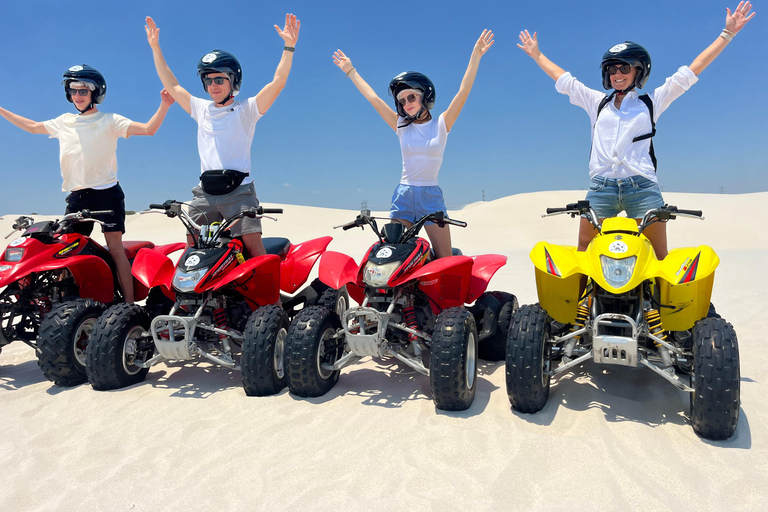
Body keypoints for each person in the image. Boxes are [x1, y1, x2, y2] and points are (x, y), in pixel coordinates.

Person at [517, 2, 756, 259]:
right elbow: (565, 81)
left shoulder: (651, 102)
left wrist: (727, 34)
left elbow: (689, 72)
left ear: (638, 71)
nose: (617, 74)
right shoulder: (596, 102)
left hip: (641, 188)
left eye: (624, 67)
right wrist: (536, 55)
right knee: (584, 257)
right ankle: (586, 302)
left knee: (657, 258)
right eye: (611, 69)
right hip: (601, 187)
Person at [0, 64, 175, 303]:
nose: (77, 96)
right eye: (73, 91)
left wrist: (164, 105)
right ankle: (64, 303)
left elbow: (148, 129)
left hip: (107, 194)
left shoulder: (109, 120)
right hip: (77, 198)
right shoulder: (63, 122)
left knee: (115, 248)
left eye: (83, 91)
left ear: (95, 93)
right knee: (64, 249)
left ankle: (129, 305)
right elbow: (31, 127)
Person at [144, 14, 300, 258]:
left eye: (219, 79)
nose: (213, 86)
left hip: (239, 191)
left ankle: (269, 298)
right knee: (191, 246)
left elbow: (277, 83)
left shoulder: (247, 110)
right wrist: (155, 47)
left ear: (232, 81)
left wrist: (289, 47)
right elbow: (172, 85)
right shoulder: (200, 108)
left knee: (252, 244)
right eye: (208, 80)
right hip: (204, 192)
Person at [332, 29, 494, 259]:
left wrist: (475, 56)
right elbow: (374, 99)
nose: (406, 103)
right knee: (394, 257)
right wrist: (351, 71)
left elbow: (463, 92)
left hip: (431, 197)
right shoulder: (400, 126)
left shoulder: (441, 124)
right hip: (404, 196)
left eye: (411, 97)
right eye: (402, 100)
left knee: (445, 260)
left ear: (424, 96)